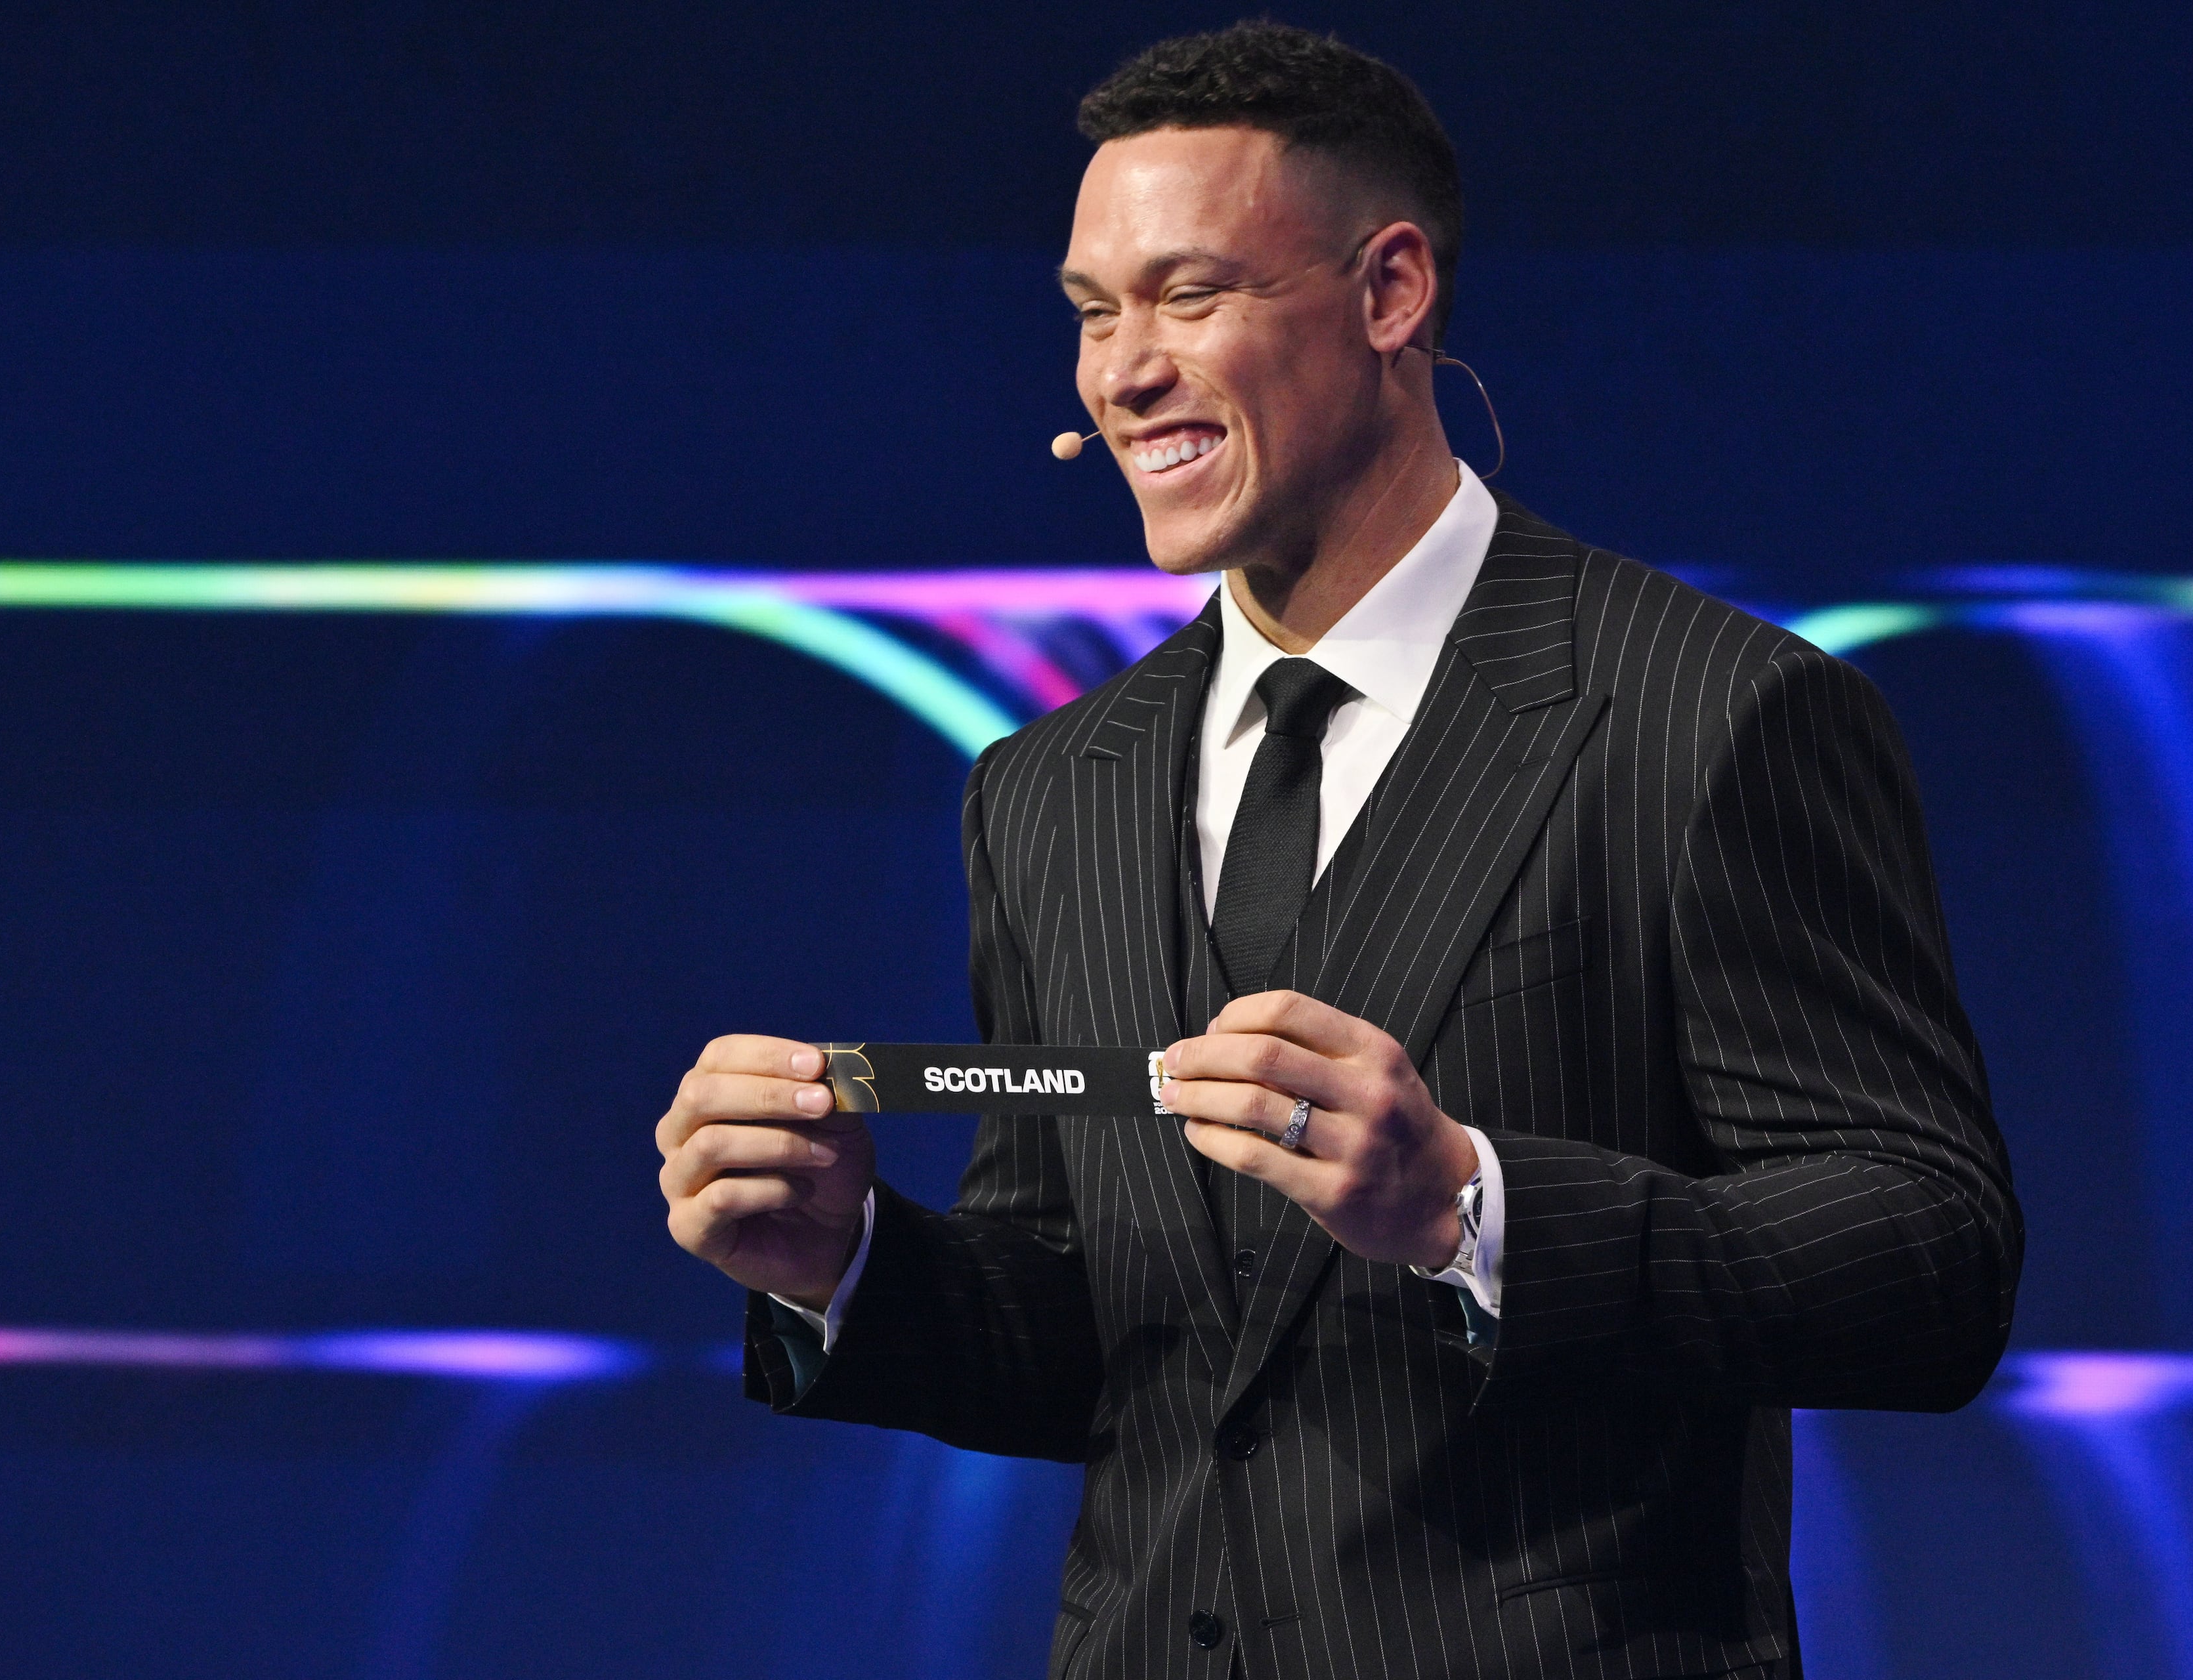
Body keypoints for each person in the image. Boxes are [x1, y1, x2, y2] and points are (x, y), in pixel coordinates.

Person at [655, 22, 2021, 1680]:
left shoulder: (1711, 713)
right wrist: (845, 1264)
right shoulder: (1048, 785)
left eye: (1190, 293)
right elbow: (1102, 1341)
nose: (1122, 369)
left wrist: (1471, 1202)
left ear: (1391, 293)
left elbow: (1932, 1254)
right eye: (1094, 312)